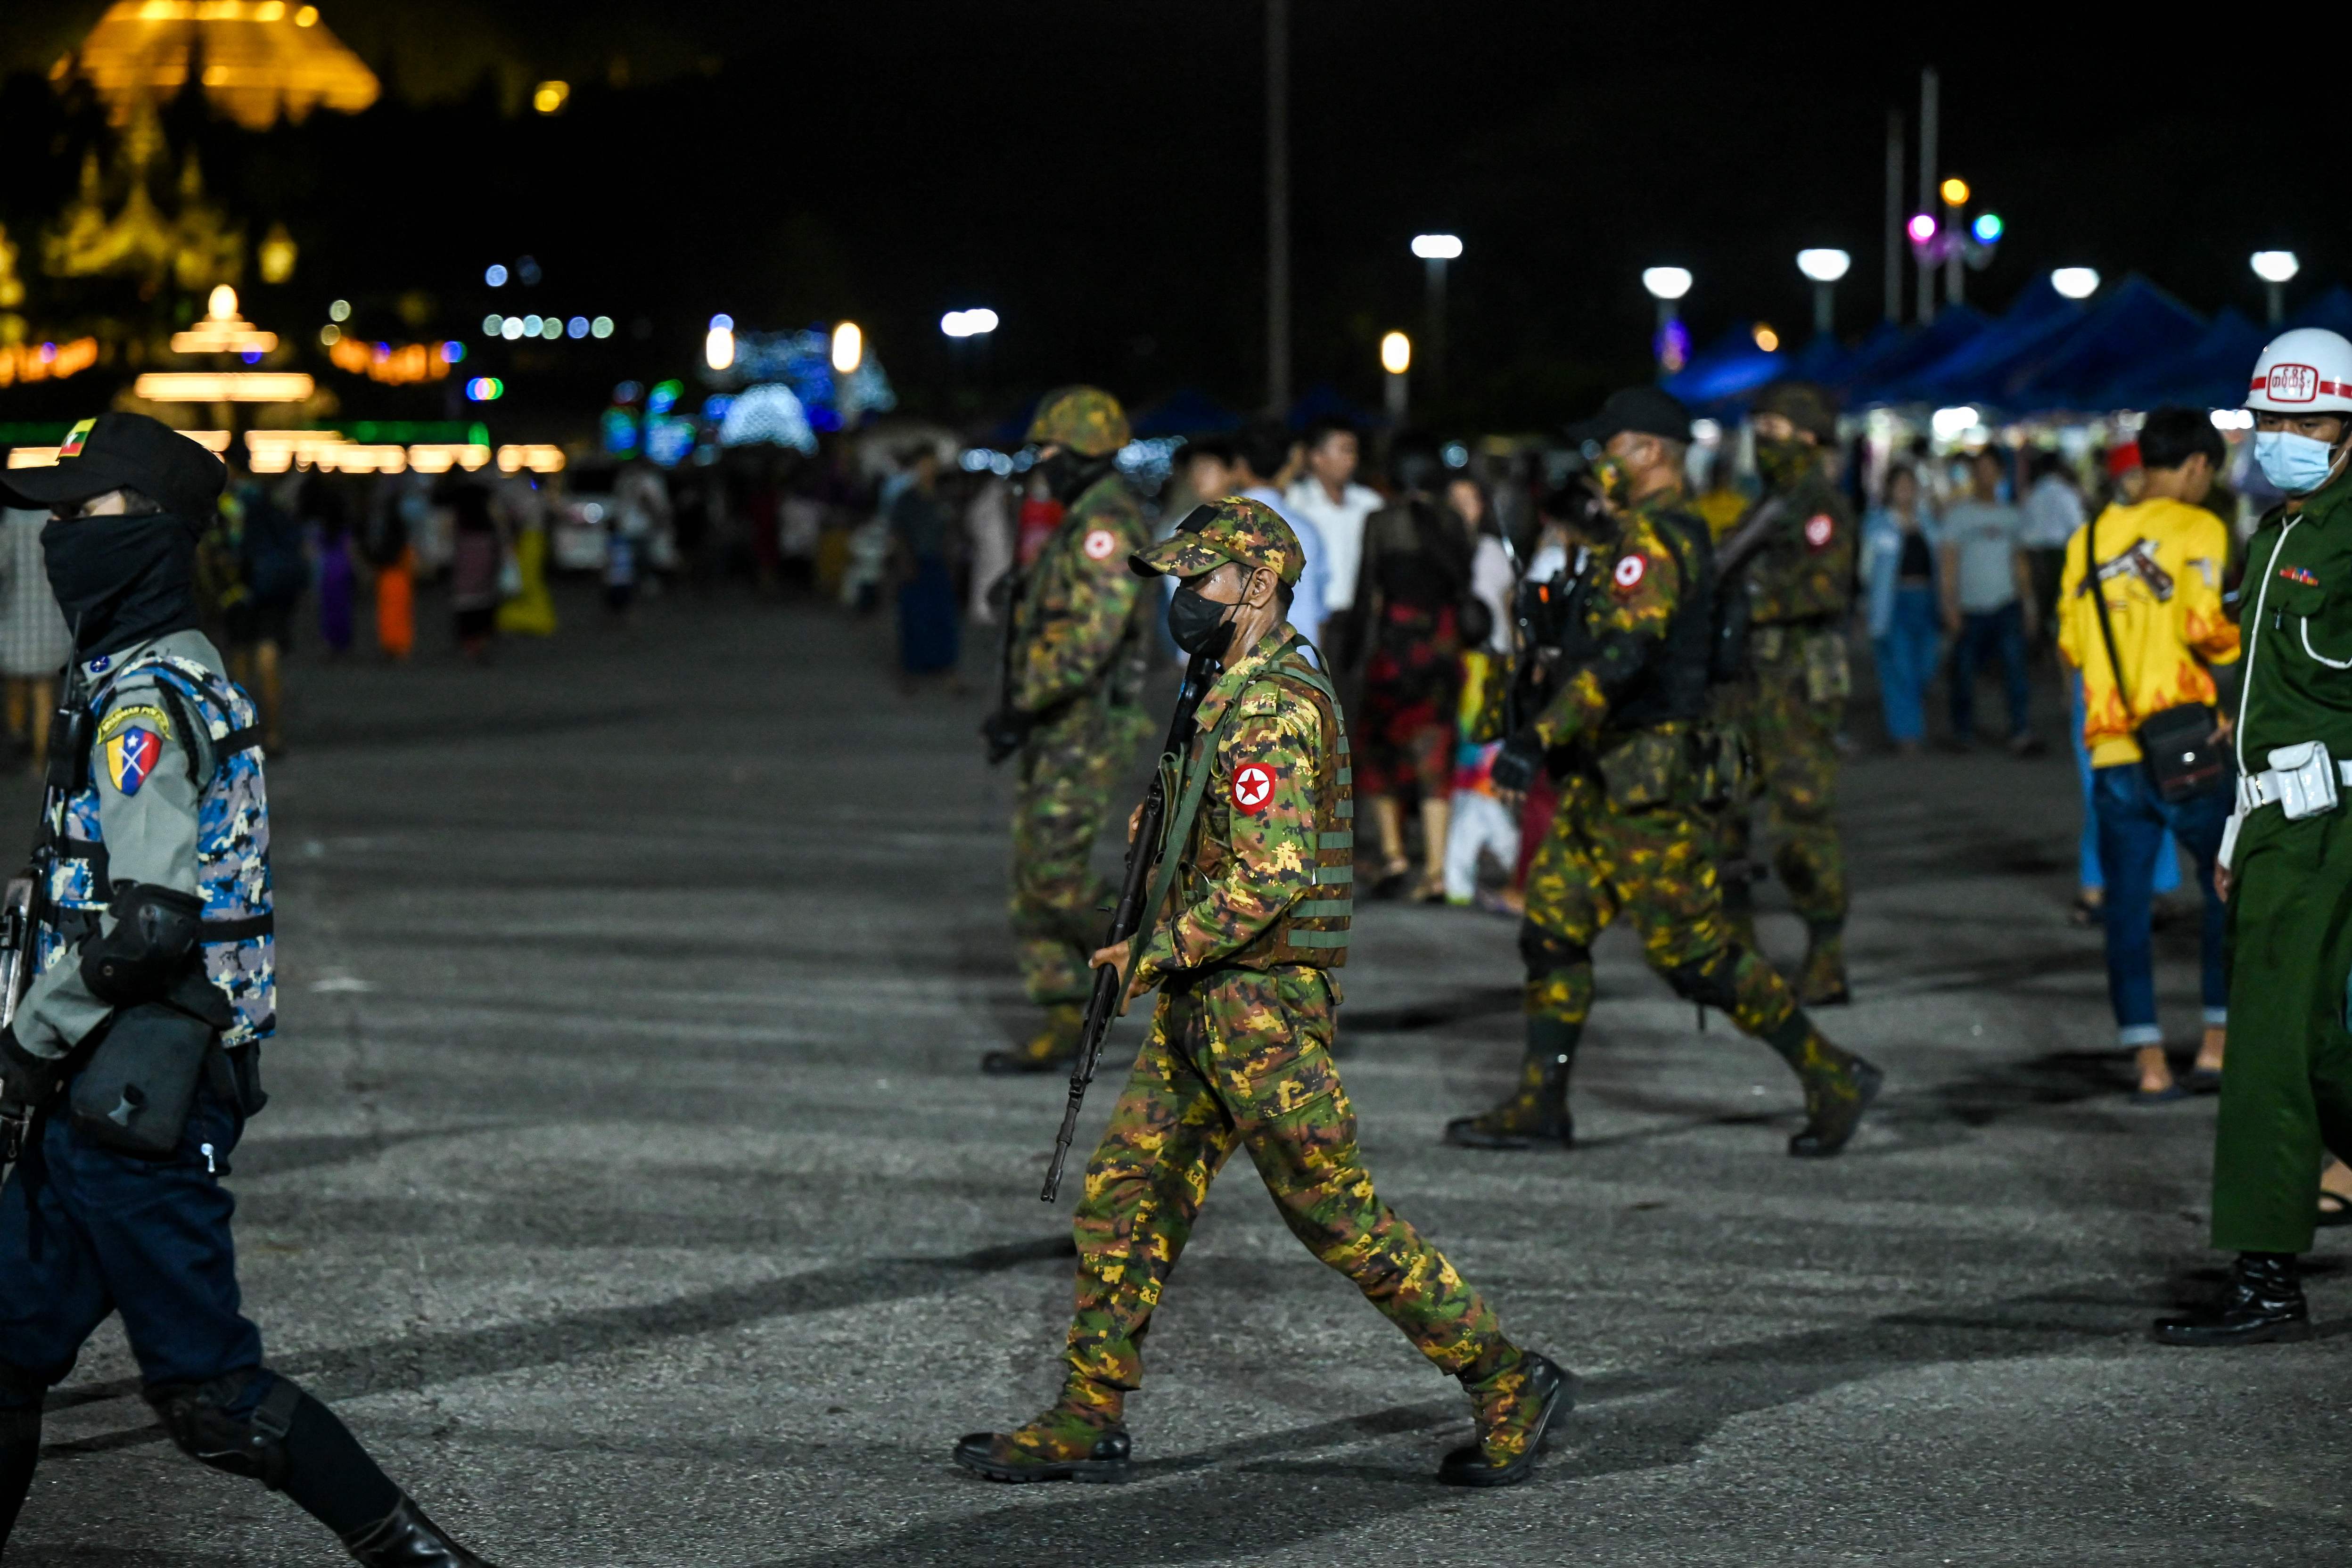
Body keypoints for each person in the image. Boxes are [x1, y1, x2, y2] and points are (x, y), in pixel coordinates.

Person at [955, 499, 1571, 1487]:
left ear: (1256, 582)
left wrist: (1147, 950)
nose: (1180, 598)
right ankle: (1086, 1412)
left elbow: (1272, 874)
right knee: (1125, 1198)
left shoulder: (1278, 701)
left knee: (1334, 1213)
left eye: (1198, 580)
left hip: (1262, 1006)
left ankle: (1504, 1375)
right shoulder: (1221, 683)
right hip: (1208, 1003)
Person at [0, 413, 499, 1561]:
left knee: (213, 1398)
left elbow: (147, 922)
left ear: (156, 537)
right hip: (107, 1091)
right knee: (7, 1346)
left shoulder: (144, 701)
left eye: (86, 515)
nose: (61, 538)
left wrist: (28, 1041)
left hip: (138, 1093)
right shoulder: (156, 672)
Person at [1445, 387, 1880, 1157]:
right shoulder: (1632, 537)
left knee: (1697, 956)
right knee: (1551, 929)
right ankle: (1541, 1102)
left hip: (1647, 782)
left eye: (1608, 448)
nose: (1598, 464)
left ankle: (1831, 1073)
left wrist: (1539, 735)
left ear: (1649, 450)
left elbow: (1626, 656)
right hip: (1602, 776)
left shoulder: (1658, 539)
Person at [2155, 329, 2352, 1346]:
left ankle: (2267, 1277)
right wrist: (2238, 824)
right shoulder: (2276, 529)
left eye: (2307, 422)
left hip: (2336, 821)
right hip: (2277, 817)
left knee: (2269, 1045)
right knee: (2314, 1044)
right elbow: (2266, 701)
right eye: (2270, 420)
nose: (2284, 438)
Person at [2055, 407, 2238, 1103]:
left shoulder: (2088, 536)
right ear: (2194, 465)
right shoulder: (2199, 527)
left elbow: (2071, 645)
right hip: (2186, 742)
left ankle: (2149, 1060)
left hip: (2111, 748)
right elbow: (2205, 629)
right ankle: (2216, 1045)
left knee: (2125, 907)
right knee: (2223, 885)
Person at [979, 387, 1152, 1075]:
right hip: (1059, 719)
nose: (1042, 461)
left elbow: (1090, 639)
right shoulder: (1079, 517)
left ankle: (1162, 957)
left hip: (1084, 721)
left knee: (1053, 876)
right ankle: (1062, 1010)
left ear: (1081, 451)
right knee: (1033, 876)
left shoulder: (1104, 522)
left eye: (1051, 449)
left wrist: (1021, 703)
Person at [1719, 381, 1859, 1005]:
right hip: (1743, 681)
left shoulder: (1819, 506)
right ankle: (1736, 949)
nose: (1761, 441)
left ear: (1807, 436)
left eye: (1772, 430)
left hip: (1796, 682)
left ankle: (1825, 954)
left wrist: (1751, 601)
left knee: (1801, 822)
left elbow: (1826, 591)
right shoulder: (1766, 502)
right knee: (1721, 810)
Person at [1347, 440, 1473, 900]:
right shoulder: (1452, 522)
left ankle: (1395, 855)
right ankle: (1436, 870)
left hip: (1394, 651)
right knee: (1434, 752)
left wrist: (1349, 655)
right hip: (1440, 649)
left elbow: (1366, 592)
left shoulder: (1381, 522)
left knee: (1379, 750)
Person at [1940, 446, 2039, 753]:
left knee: (2014, 670)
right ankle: (1963, 731)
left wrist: (2029, 604)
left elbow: (2020, 563)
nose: (1984, 476)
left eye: (1989, 469)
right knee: (1965, 674)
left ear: (1999, 474)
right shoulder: (1958, 517)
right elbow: (1949, 564)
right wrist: (1950, 606)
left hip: (2005, 604)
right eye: (1978, 469)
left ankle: (2020, 730)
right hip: (1970, 607)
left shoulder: (2011, 516)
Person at [1860, 464, 1941, 755]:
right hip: (1893, 603)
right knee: (1900, 668)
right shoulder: (1877, 523)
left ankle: (1909, 724)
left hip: (1926, 601)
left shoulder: (1928, 522)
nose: (1906, 491)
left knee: (1925, 667)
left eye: (1910, 485)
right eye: (1900, 485)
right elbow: (1867, 569)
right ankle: (1906, 734)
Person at [222, 472, 304, 753]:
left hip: (242, 591)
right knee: (269, 663)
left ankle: (243, 733)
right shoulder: (274, 500)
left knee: (241, 664)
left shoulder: (232, 502)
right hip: (273, 591)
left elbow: (227, 546)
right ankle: (273, 734)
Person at [1284, 418, 1383, 648]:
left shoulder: (1370, 504)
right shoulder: (1295, 503)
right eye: (1345, 451)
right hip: (1314, 619)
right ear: (1317, 457)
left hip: (1360, 618)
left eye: (1354, 451)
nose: (1352, 459)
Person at [1234, 419, 1326, 654]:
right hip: (1298, 667)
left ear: (1240, 464)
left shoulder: (1217, 527)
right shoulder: (1306, 531)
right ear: (1287, 464)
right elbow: (1316, 611)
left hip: (1232, 673)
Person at [0, 504, 72, 768]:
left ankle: (18, 736)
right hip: (51, 620)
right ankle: (40, 761)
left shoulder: (12, 518)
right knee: (45, 693)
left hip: (15, 618)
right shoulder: (56, 518)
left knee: (15, 687)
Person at [888, 446, 960, 684]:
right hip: (915, 563)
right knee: (914, 617)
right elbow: (898, 533)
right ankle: (911, 670)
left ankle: (945, 668)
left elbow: (951, 532)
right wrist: (905, 562)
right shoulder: (906, 499)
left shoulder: (943, 498)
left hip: (939, 563)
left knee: (943, 617)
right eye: (924, 465)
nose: (928, 470)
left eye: (932, 465)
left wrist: (952, 562)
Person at [2020, 452, 2085, 654]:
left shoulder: (2032, 493)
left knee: (2039, 604)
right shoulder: (2066, 493)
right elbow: (2078, 527)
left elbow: (2023, 528)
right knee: (2060, 605)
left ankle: (2040, 646)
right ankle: (2057, 648)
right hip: (2058, 555)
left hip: (2034, 556)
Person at [446, 482, 502, 661]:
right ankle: (480, 643)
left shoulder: (460, 523)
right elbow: (497, 550)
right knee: (482, 611)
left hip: (464, 580)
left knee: (467, 613)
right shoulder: (488, 523)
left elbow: (450, 551)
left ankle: (470, 644)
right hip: (484, 579)